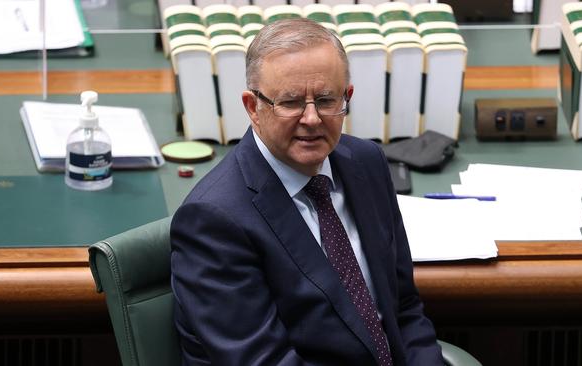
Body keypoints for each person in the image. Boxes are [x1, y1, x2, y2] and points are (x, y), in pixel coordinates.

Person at [170, 18, 443, 366]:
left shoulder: (367, 163)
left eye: (327, 100)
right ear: (253, 107)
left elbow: (403, 308)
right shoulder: (213, 219)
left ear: (348, 98)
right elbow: (264, 361)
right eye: (291, 102)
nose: (312, 118)